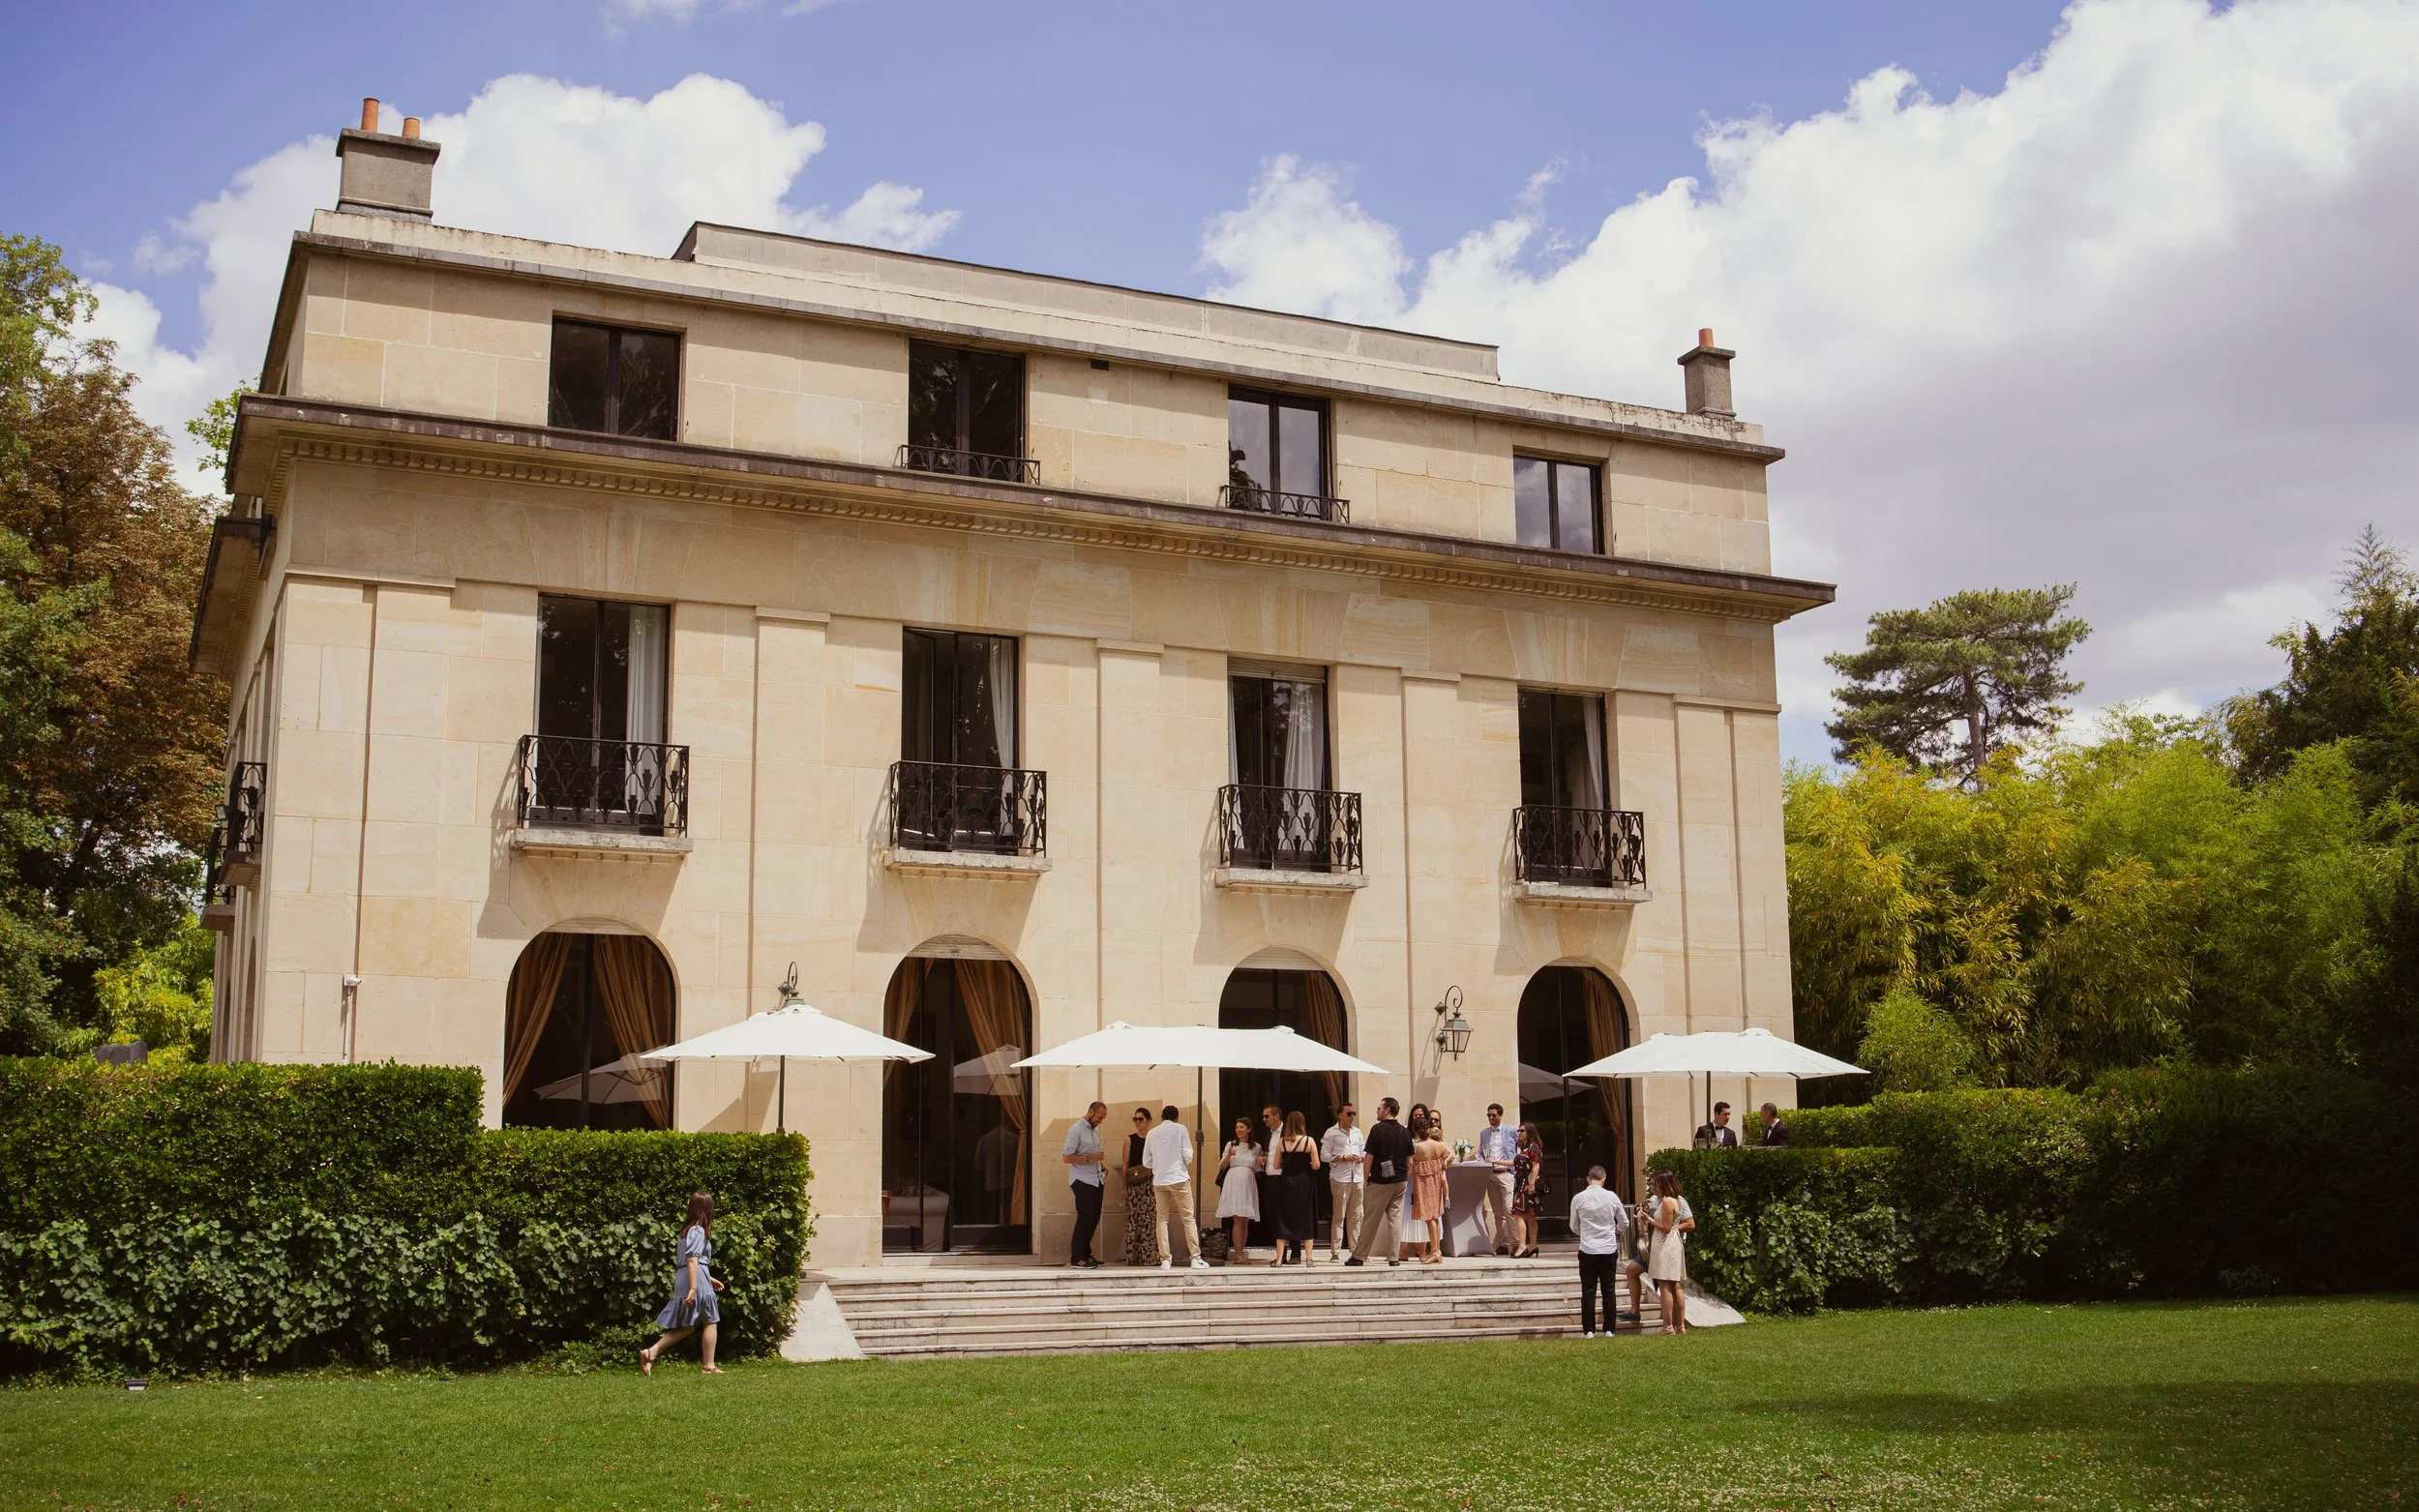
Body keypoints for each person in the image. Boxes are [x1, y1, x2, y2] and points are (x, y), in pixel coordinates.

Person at [640, 1191, 725, 1375]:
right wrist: (695, 1287)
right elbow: (693, 1260)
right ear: (707, 1209)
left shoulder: (685, 1231)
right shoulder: (698, 1230)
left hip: (685, 1276)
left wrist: (709, 1278)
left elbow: (689, 1261)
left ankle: (651, 1352)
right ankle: (709, 1366)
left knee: (686, 1326)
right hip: (694, 1278)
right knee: (710, 1320)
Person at [1347, 1098, 1413, 1266]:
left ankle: (1359, 1256)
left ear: (1388, 1110)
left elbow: (1368, 1157)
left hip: (1380, 1181)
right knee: (1395, 1220)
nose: (1377, 1111)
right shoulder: (1405, 1132)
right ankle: (1393, 1257)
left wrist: (1366, 1178)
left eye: (1379, 1108)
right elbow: (1410, 1161)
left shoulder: (1377, 1129)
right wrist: (1405, 1176)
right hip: (1400, 1181)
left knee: (1370, 1219)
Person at [1567, 1165, 1630, 1337]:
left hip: (1588, 1248)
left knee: (1588, 1290)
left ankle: (1589, 1330)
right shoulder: (1612, 1197)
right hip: (1608, 1248)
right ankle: (1609, 1329)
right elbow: (1624, 1223)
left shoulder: (1579, 1198)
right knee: (1609, 1290)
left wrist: (1586, 1233)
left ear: (1588, 1178)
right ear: (1604, 1179)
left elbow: (1573, 1225)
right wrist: (1612, 1231)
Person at [1143, 1102, 1209, 1269]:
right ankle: (1195, 1257)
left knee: (1162, 1220)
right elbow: (1188, 1154)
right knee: (1188, 1218)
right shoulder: (1180, 1129)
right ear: (1176, 1117)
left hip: (1160, 1180)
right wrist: (1180, 1164)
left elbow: (1146, 1161)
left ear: (1162, 1117)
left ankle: (1165, 1259)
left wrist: (1159, 1165)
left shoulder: (1152, 1133)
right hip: (1178, 1177)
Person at [1645, 1170, 1695, 1333]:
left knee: (1665, 1284)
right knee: (1676, 1284)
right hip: (1673, 1243)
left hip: (1665, 1243)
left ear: (1664, 1184)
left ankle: (1668, 1326)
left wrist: (1649, 1219)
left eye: (1655, 1184)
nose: (1652, 1187)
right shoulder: (1677, 1200)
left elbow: (1666, 1228)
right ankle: (1680, 1326)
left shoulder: (1667, 1202)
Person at [1269, 1111, 1323, 1265]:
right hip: (1304, 1181)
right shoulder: (1309, 1141)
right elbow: (1317, 1165)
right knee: (1305, 1216)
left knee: (1283, 1218)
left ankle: (1279, 1258)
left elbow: (1276, 1165)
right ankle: (1309, 1258)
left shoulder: (1281, 1142)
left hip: (1286, 1182)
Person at [1062, 1100, 1108, 1268]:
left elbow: (1095, 1155)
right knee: (1085, 1218)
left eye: (1102, 1119)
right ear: (1090, 1112)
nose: (1100, 1121)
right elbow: (1066, 1157)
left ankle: (1086, 1254)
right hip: (1082, 1180)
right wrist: (1091, 1158)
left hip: (1096, 1179)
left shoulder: (1095, 1132)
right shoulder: (1075, 1130)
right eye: (1099, 1117)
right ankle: (1077, 1258)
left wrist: (1102, 1168)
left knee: (1094, 1219)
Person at [1321, 1104, 1366, 1261]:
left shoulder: (1358, 1132)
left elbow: (1364, 1151)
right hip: (1340, 1177)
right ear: (1340, 1115)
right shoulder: (1331, 1132)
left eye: (1354, 1113)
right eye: (1349, 1114)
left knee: (1356, 1216)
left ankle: (1356, 1250)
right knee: (1339, 1215)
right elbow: (1323, 1155)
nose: (1352, 1116)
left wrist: (1361, 1158)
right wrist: (1342, 1157)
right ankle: (1336, 1251)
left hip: (1357, 1177)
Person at [1214, 1115, 1263, 1263]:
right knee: (1237, 1218)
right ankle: (1238, 1255)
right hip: (1234, 1179)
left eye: (1241, 1127)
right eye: (1237, 1127)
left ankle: (1241, 1252)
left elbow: (1255, 1168)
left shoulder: (1256, 1147)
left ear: (1249, 1129)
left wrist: (1260, 1163)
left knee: (1245, 1219)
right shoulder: (1230, 1144)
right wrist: (1228, 1155)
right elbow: (1222, 1165)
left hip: (1248, 1181)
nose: (1238, 1130)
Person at [1121, 1107, 1161, 1266]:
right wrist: (1123, 1186)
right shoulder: (1129, 1139)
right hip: (1135, 1184)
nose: (1137, 1122)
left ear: (1148, 1121)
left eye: (1141, 1119)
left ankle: (1150, 1256)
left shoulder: (1154, 1138)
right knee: (1134, 1220)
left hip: (1151, 1184)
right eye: (1135, 1119)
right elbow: (1125, 1164)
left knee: (1150, 1220)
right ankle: (1134, 1256)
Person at [1409, 1114, 1450, 1263]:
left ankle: (1434, 1251)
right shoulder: (1438, 1144)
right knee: (1435, 1218)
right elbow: (1450, 1155)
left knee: (1429, 1218)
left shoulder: (1415, 1146)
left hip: (1423, 1184)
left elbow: (1409, 1166)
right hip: (1436, 1182)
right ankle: (1437, 1250)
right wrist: (1444, 1163)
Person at [1478, 1102, 1518, 1255]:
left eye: (1493, 1115)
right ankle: (1503, 1243)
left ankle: (1515, 1244)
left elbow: (1519, 1150)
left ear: (1500, 1115)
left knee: (1509, 1210)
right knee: (1497, 1212)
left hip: (1506, 1173)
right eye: (1488, 1115)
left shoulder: (1511, 1130)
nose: (1491, 1118)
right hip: (1491, 1174)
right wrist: (1481, 1159)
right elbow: (1482, 1152)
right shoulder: (1484, 1133)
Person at [1508, 1124, 1547, 1258]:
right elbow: (1515, 1164)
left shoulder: (1533, 1147)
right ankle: (1533, 1246)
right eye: (1518, 1130)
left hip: (1526, 1184)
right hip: (1520, 1183)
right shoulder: (1523, 1148)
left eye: (1522, 1130)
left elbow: (1536, 1166)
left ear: (1529, 1132)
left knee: (1518, 1214)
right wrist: (1495, 1161)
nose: (1519, 1132)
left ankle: (1522, 1246)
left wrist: (1531, 1184)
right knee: (1530, 1216)